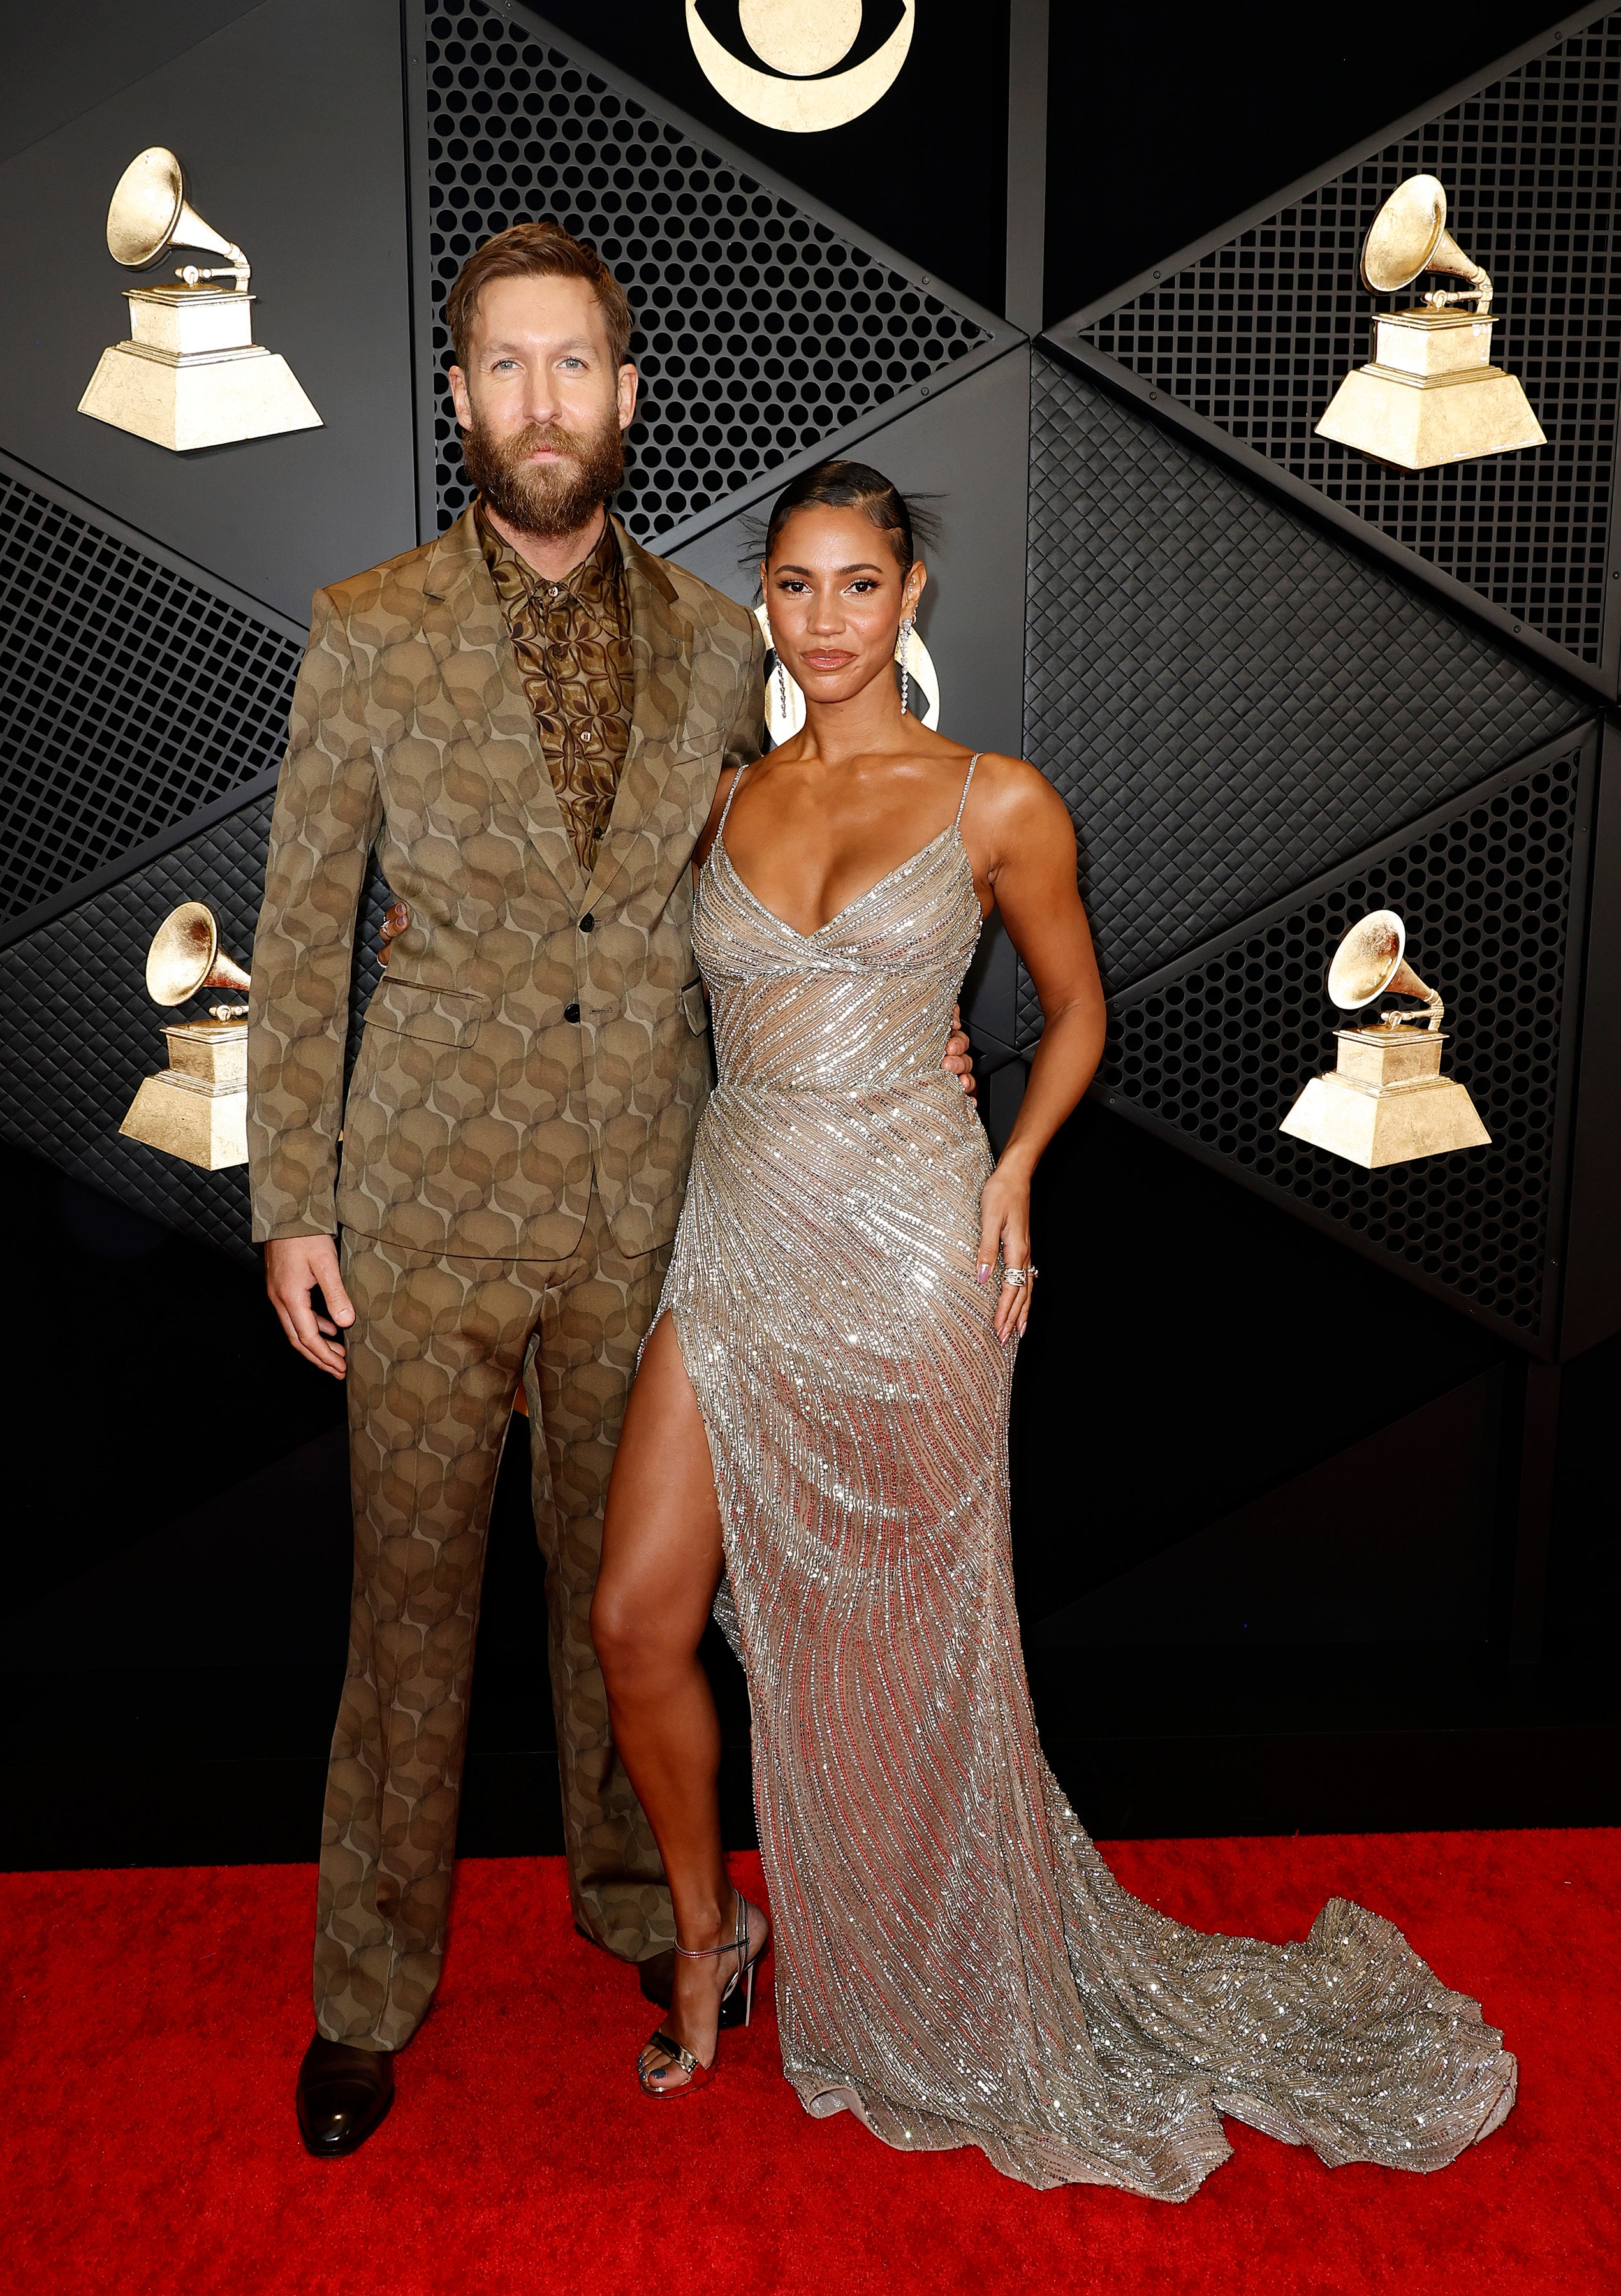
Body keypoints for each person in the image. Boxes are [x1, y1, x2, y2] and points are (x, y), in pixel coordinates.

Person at [589, 460, 1518, 2195]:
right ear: (767, 603)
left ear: (909, 596)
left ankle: (925, 1960)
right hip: (733, 1246)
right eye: (795, 586)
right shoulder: (715, 800)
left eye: (859, 584)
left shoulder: (994, 798)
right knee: (636, 1617)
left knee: (912, 1648)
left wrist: (1014, 1163)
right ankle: (712, 1934)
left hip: (916, 1253)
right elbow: (610, 975)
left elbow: (1079, 1011)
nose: (825, 619)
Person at [246, 221, 978, 2159]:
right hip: (414, 1203)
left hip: (658, 1209)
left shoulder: (718, 645)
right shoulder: (368, 625)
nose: (542, 403)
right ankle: (367, 1992)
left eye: (575, 366)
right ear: (462, 394)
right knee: (406, 1614)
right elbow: (304, 928)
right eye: (507, 367)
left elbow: (796, 874)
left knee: (624, 1605)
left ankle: (658, 1916)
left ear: (626, 396)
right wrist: (291, 1202)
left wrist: (909, 1027)